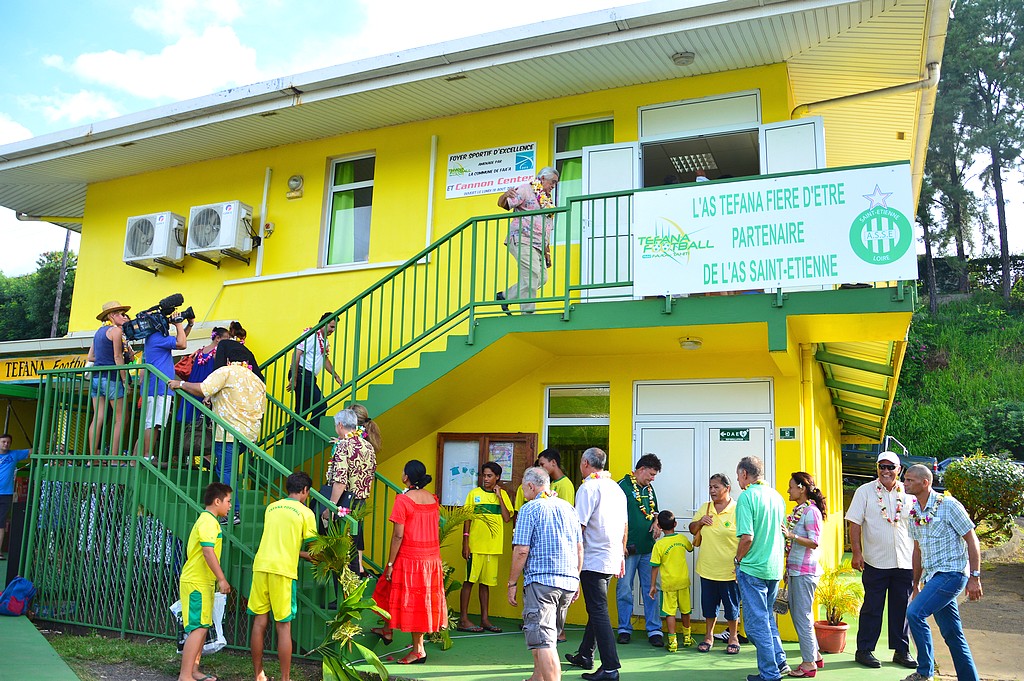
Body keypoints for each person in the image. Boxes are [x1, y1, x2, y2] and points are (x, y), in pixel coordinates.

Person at [168, 340, 266, 526]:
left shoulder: (226, 372)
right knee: (224, 467)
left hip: (228, 432)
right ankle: (225, 504)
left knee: (226, 470)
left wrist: (180, 384)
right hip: (250, 434)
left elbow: (202, 388)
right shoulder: (256, 379)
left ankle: (231, 511)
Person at [902, 464, 983, 681]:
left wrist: (975, 576)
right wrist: (916, 584)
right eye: (905, 479)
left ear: (925, 483)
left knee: (914, 613)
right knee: (952, 634)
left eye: (910, 480)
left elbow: (972, 539)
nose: (905, 483)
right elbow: (917, 550)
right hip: (932, 578)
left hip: (953, 573)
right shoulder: (914, 512)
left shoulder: (948, 505)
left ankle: (924, 672)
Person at [507, 466, 583, 681]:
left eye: (523, 487)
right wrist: (576, 578)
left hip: (542, 583)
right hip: (567, 582)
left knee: (544, 640)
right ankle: (537, 678)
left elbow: (521, 550)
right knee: (544, 635)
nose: (523, 492)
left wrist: (512, 582)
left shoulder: (530, 509)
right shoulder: (569, 508)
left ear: (531, 486)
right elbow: (579, 548)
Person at [370, 460, 448, 664]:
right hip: (430, 559)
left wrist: (389, 563)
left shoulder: (403, 500)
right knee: (391, 589)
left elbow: (397, 536)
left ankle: (419, 650)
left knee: (411, 601)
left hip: (410, 559)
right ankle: (387, 630)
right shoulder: (432, 498)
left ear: (406, 477)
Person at [845, 450, 917, 669]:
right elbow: (854, 523)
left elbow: (917, 526)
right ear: (877, 468)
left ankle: (901, 651)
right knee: (872, 607)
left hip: (904, 561)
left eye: (890, 467)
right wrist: (856, 552)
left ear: (899, 470)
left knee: (902, 608)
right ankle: (864, 650)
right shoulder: (864, 491)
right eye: (881, 467)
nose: (885, 471)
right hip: (875, 561)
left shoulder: (909, 493)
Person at [249, 471, 319, 681]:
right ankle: (285, 678)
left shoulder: (272, 507)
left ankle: (259, 674)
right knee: (283, 626)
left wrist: (296, 550)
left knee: (259, 622)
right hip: (283, 571)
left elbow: (279, 539)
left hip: (261, 565)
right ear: (305, 490)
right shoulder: (306, 513)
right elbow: (314, 550)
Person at [566, 447, 627, 681]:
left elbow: (578, 527)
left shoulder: (588, 487)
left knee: (598, 610)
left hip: (592, 557)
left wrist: (572, 558)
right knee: (597, 607)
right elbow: (624, 526)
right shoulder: (616, 488)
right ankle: (585, 654)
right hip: (610, 556)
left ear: (585, 463)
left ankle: (610, 667)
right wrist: (621, 554)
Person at [734, 455, 789, 681]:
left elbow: (747, 537)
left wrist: (737, 560)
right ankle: (779, 661)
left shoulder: (747, 497)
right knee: (767, 618)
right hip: (773, 567)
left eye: (738, 476)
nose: (738, 480)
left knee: (757, 626)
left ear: (745, 474)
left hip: (753, 568)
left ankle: (769, 674)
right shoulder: (776, 497)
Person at [176, 482, 232, 681]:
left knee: (202, 626)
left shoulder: (210, 520)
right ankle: (185, 675)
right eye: (228, 501)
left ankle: (193, 670)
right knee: (198, 628)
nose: (230, 506)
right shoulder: (208, 522)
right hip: (197, 582)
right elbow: (208, 552)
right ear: (217, 501)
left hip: (202, 582)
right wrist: (222, 579)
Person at [689, 473, 742, 654]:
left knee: (731, 607)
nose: (712, 490)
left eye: (716, 487)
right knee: (709, 606)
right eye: (710, 487)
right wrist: (700, 522)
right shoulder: (706, 507)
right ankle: (708, 636)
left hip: (730, 571)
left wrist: (739, 564)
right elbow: (692, 529)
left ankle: (733, 636)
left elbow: (746, 538)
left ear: (727, 488)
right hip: (707, 568)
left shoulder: (738, 509)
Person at [458, 461, 513, 633]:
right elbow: (467, 518)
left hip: (493, 548)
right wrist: (465, 541)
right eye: (484, 475)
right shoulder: (474, 494)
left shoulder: (502, 495)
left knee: (485, 584)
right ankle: (463, 619)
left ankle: (484, 619)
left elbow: (506, 518)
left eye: (490, 476)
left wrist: (499, 497)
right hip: (475, 546)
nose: (486, 479)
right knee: (469, 581)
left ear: (497, 478)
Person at [321, 408, 376, 575]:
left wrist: (330, 507)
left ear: (339, 425)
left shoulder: (343, 445)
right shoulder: (368, 446)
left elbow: (340, 481)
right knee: (354, 543)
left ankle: (341, 593)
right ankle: (352, 586)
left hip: (344, 502)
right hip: (361, 501)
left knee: (340, 549)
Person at [496, 167, 558, 314]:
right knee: (531, 276)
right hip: (522, 239)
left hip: (539, 245)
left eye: (556, 183)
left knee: (541, 278)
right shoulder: (526, 189)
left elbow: (546, 228)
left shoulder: (547, 201)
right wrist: (504, 195)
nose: (554, 186)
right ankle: (528, 315)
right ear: (542, 179)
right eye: (552, 182)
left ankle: (505, 296)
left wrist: (547, 252)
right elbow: (503, 204)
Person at [616, 453, 663, 646]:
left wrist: (657, 522)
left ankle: (654, 629)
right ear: (641, 469)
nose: (652, 478)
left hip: (648, 549)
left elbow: (655, 512)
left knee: (651, 588)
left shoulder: (649, 489)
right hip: (627, 550)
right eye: (651, 474)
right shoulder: (622, 487)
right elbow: (614, 517)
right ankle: (624, 628)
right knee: (625, 589)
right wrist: (620, 545)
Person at [783, 472, 827, 678]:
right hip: (795, 570)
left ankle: (809, 664)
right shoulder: (800, 510)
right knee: (802, 615)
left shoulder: (811, 512)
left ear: (802, 488)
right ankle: (815, 655)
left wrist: (791, 535)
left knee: (802, 617)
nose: (788, 490)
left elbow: (814, 541)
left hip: (804, 571)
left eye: (791, 487)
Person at [87, 300, 135, 462]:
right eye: (121, 314)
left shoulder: (99, 332)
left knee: (98, 417)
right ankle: (114, 458)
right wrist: (124, 380)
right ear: (113, 316)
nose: (123, 317)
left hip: (96, 377)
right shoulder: (115, 332)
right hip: (111, 378)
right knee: (122, 418)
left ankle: (92, 457)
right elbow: (117, 357)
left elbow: (91, 357)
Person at [174, 327, 229, 467]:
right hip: (205, 388)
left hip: (192, 387)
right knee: (206, 424)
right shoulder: (218, 354)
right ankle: (208, 455)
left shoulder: (199, 351)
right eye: (226, 338)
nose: (227, 341)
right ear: (218, 338)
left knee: (191, 423)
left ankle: (189, 458)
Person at [140, 313, 190, 466]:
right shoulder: (157, 338)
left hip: (156, 388)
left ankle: (139, 456)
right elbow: (182, 344)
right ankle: (146, 456)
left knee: (151, 422)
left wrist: (189, 325)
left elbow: (180, 340)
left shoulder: (153, 338)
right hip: (159, 388)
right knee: (153, 423)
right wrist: (178, 324)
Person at [285, 313, 341, 444]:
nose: (333, 330)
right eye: (332, 327)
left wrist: (336, 375)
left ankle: (288, 441)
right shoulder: (311, 335)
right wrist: (294, 377)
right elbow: (296, 354)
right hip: (302, 374)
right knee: (321, 404)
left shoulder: (324, 340)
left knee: (301, 412)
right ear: (324, 323)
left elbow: (325, 359)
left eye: (334, 328)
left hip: (309, 376)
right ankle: (314, 430)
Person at [648, 510, 694, 652]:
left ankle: (672, 641)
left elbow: (654, 567)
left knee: (670, 613)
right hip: (683, 582)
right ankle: (687, 638)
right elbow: (691, 548)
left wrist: (652, 586)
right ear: (675, 524)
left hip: (668, 585)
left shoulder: (659, 545)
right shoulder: (681, 539)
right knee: (686, 610)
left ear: (659, 527)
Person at [0, 434, 30, 560]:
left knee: (1, 523)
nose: (5, 444)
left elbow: (32, 452)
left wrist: (49, 445)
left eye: (8, 442)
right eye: (3, 442)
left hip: (6, 494)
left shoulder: (15, 454)